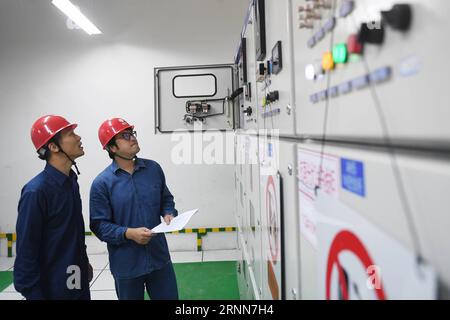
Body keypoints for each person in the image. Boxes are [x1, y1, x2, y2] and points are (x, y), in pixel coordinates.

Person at [89, 118, 179, 300]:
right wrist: (129, 233)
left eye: (132, 133)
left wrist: (169, 213)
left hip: (159, 258)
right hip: (126, 264)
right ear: (112, 148)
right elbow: (99, 226)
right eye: (125, 136)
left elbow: (166, 199)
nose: (132, 138)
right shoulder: (102, 183)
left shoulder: (153, 169)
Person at [14, 115, 92, 300]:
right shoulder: (36, 192)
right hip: (53, 289)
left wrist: (83, 262)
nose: (79, 137)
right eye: (71, 133)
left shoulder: (71, 182)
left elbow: (70, 232)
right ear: (54, 146)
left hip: (76, 280)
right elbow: (26, 251)